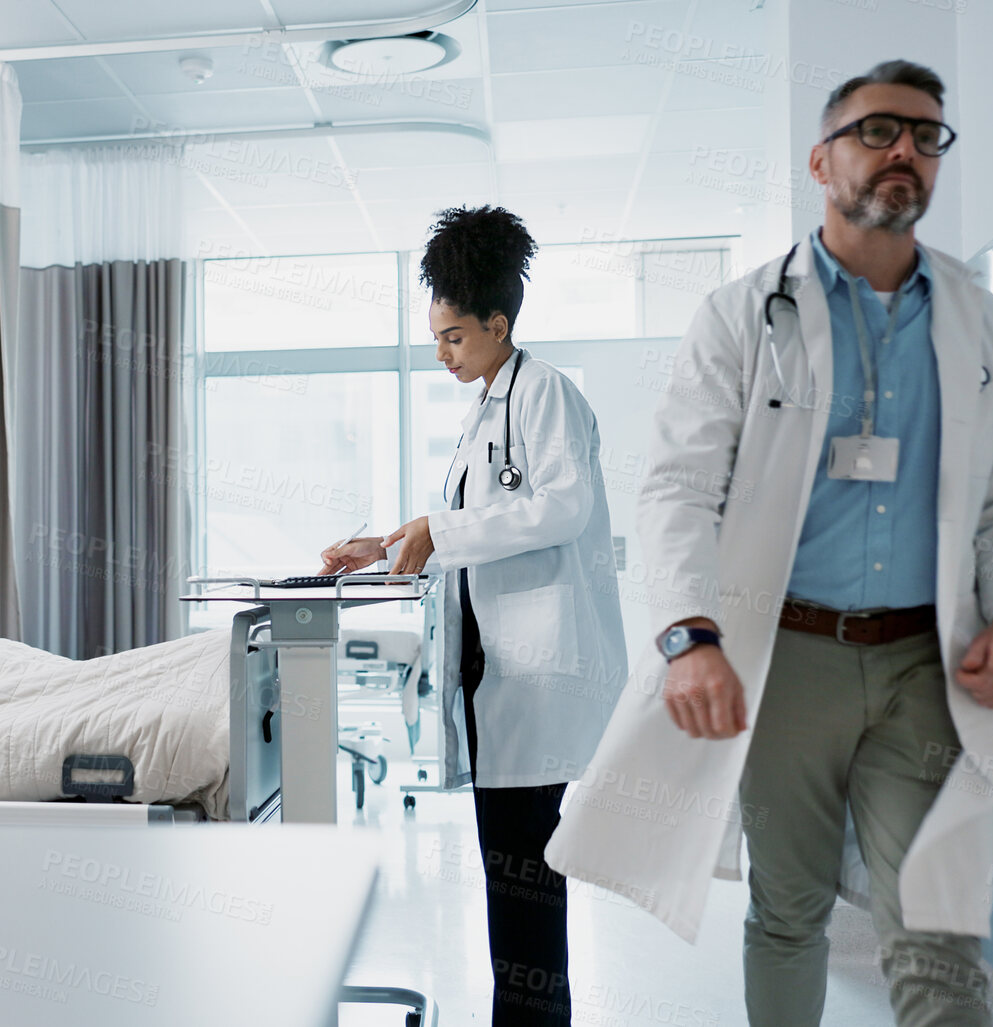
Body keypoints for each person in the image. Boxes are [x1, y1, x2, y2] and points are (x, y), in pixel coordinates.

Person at [544, 61, 993, 1027]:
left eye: (925, 134)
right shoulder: (744, 314)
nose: (904, 149)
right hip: (785, 661)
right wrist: (689, 637)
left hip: (921, 661)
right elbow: (678, 488)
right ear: (821, 160)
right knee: (788, 910)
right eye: (877, 130)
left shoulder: (981, 324)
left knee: (933, 927)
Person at [319, 206, 627, 1027]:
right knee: (514, 884)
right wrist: (385, 545)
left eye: (454, 336)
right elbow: (466, 527)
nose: (441, 352)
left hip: (536, 678)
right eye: (437, 336)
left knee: (525, 888)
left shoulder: (545, 394)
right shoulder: (488, 407)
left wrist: (435, 531)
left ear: (497, 324)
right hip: (500, 676)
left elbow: (560, 507)